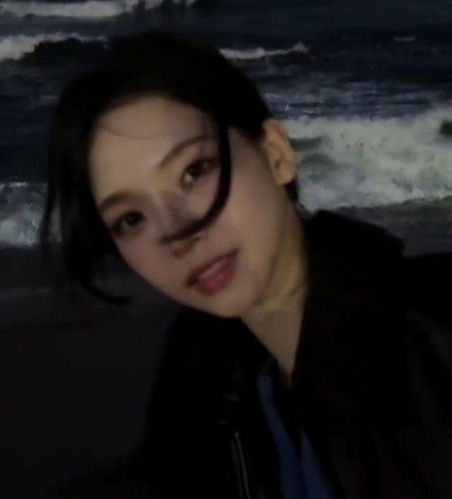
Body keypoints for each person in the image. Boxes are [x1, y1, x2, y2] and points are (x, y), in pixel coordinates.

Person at [40, 31, 452, 499]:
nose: (178, 234)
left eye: (194, 170)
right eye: (130, 218)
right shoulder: (204, 376)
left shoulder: (431, 345)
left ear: (276, 154)